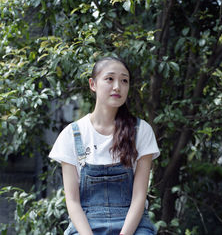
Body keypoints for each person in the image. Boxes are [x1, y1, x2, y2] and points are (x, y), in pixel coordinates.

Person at [49, 56, 160, 235]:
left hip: (133, 224)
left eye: (124, 81)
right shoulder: (72, 134)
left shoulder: (141, 130)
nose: (117, 86)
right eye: (110, 79)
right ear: (93, 84)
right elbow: (73, 201)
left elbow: (139, 196)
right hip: (86, 225)